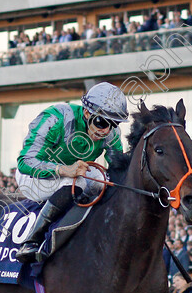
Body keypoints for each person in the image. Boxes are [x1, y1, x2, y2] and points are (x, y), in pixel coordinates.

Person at [15, 82, 127, 263]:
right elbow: (25, 162)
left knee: (101, 179)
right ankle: (31, 240)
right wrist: (63, 170)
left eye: (113, 124)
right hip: (34, 177)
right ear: (87, 112)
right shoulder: (55, 118)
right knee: (77, 183)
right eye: (101, 122)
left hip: (74, 175)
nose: (105, 130)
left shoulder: (110, 133)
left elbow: (119, 169)